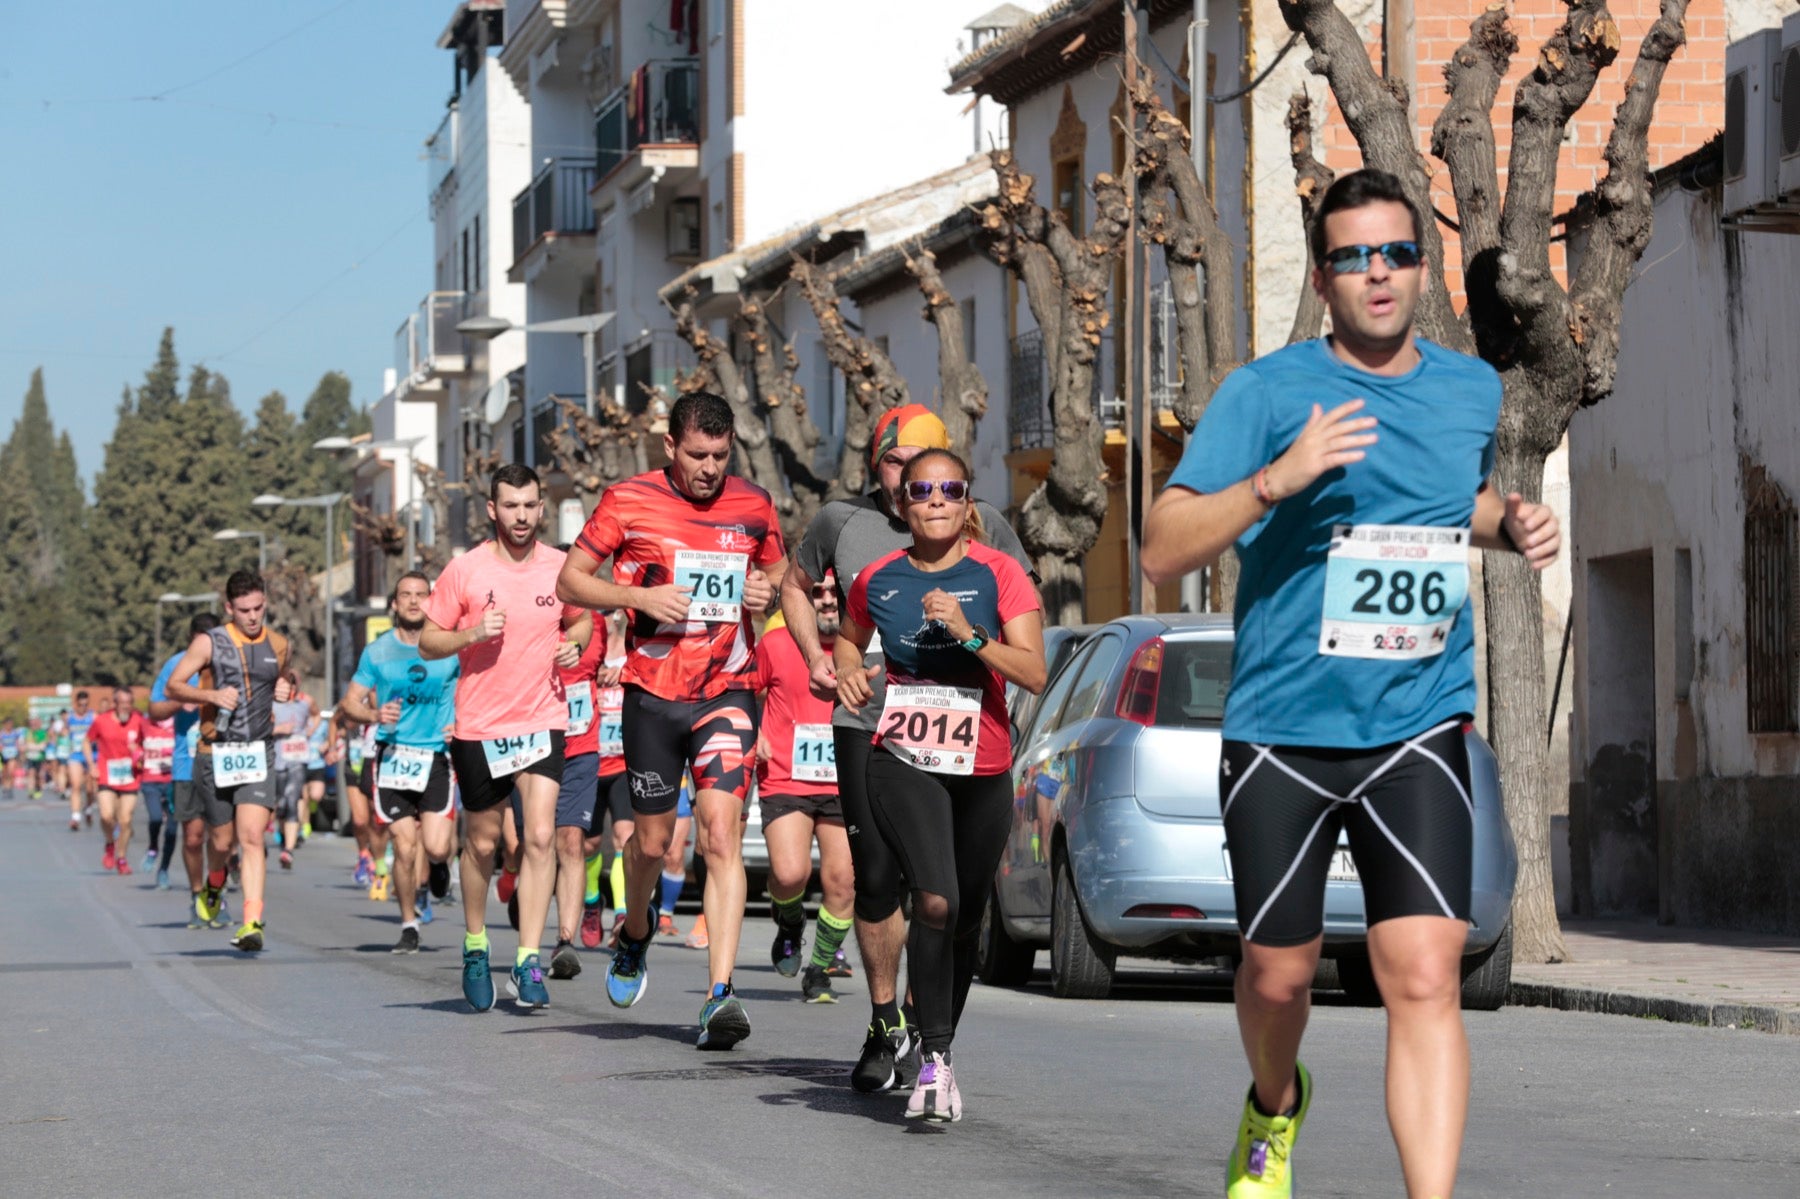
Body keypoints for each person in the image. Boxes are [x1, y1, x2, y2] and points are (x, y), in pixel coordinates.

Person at [1140, 169, 1562, 1199]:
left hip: (1419, 721)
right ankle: (1274, 1105)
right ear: (1323, 277)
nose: (1380, 274)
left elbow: (1436, 503)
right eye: (1355, 256)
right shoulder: (1267, 392)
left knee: (1423, 973)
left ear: (1422, 265)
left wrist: (1506, 523)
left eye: (1399, 253)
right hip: (1282, 727)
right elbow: (1159, 547)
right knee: (1277, 972)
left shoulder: (1470, 388)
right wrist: (1276, 478)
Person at [782, 402, 1037, 1092]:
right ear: (878, 465)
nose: (916, 487)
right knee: (874, 878)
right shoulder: (844, 522)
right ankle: (884, 1019)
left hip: (966, 739)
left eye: (933, 475)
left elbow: (1022, 626)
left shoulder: (987, 531)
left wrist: (982, 649)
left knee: (947, 897)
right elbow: (793, 585)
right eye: (899, 466)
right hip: (871, 727)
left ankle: (930, 1034)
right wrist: (821, 658)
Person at [557, 391, 786, 1050]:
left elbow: (776, 574)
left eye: (720, 455)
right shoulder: (627, 500)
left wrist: (765, 593)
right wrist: (636, 595)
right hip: (652, 696)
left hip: (727, 690)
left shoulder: (754, 504)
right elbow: (572, 581)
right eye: (697, 455)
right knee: (653, 846)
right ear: (670, 446)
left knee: (719, 836)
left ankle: (720, 995)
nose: (710, 468)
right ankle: (634, 934)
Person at [837, 448, 1044, 1123]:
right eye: (920, 488)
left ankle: (928, 1036)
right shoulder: (879, 578)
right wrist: (844, 669)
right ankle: (935, 1061)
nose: (934, 499)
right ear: (903, 502)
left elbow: (1035, 672)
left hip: (982, 767)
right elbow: (848, 635)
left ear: (966, 502)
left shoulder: (1000, 573)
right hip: (903, 756)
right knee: (933, 899)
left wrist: (970, 634)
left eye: (948, 489)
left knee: (965, 917)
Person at [420, 464, 590, 1011]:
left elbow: (581, 621)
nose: (521, 516)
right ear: (493, 510)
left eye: (530, 506)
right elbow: (427, 640)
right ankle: (474, 945)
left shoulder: (563, 568)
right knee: (484, 844)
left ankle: (527, 959)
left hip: (543, 719)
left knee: (539, 837)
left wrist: (575, 645)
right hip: (482, 725)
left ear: (543, 508)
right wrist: (471, 633)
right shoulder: (465, 570)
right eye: (510, 506)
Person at [163, 569, 295, 952]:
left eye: (258, 608)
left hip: (258, 751)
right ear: (228, 608)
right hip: (215, 753)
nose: (253, 617)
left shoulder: (280, 643)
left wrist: (289, 688)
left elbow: (283, 678)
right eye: (244, 610)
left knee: (252, 837)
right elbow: (175, 684)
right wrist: (212, 697)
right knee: (220, 841)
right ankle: (214, 883)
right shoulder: (210, 642)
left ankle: (252, 921)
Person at [342, 570, 461, 955]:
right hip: (393, 757)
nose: (413, 601)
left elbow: (475, 689)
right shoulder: (377, 651)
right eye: (406, 595)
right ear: (394, 604)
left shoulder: (449, 648)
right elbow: (349, 702)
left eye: (421, 595)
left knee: (437, 846)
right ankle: (409, 923)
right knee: (404, 845)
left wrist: (460, 721)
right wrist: (374, 716)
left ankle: (440, 868)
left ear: (431, 601)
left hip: (436, 757)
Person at [756, 579, 856, 1004]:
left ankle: (818, 968)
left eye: (835, 592)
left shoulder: (864, 645)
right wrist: (754, 730)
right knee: (789, 873)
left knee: (842, 881)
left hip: (844, 778)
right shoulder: (777, 642)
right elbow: (746, 690)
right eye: (817, 592)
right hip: (785, 775)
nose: (828, 599)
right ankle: (791, 923)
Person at [543, 604, 612, 980]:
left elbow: (604, 663)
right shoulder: (528, 617)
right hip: (532, 748)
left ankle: (564, 941)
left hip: (581, 749)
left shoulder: (593, 623)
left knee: (572, 841)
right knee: (530, 843)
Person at [149, 612, 226, 925]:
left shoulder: (232, 663)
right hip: (187, 763)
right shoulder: (177, 665)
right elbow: (154, 709)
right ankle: (197, 895)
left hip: (226, 762)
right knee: (193, 837)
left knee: (223, 841)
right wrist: (180, 702)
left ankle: (215, 892)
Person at [87, 686, 152, 876]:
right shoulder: (102, 721)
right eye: (122, 703)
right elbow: (86, 741)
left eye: (129, 703)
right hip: (107, 774)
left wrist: (139, 752)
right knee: (106, 816)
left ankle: (121, 857)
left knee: (125, 820)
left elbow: (148, 743)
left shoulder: (139, 720)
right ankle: (109, 843)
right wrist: (92, 765)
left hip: (130, 777)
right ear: (114, 704)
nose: (126, 707)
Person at [271, 672, 315, 871]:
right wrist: (278, 730)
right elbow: (259, 729)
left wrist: (309, 732)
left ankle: (288, 850)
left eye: (289, 686)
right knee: (280, 802)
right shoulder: (269, 705)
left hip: (298, 759)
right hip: (277, 760)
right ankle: (283, 837)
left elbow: (316, 715)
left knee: (292, 799)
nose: (286, 689)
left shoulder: (304, 703)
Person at [64, 692, 95, 830]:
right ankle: (75, 816)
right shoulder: (70, 717)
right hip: (76, 755)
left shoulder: (93, 716)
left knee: (89, 788)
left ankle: (88, 808)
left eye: (86, 705)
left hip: (91, 755)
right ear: (76, 704)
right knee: (76, 785)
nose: (83, 707)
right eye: (81, 705)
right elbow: (65, 733)